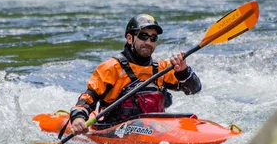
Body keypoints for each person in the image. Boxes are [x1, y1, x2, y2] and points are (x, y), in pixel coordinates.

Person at [70, 14, 202, 135]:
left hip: (155, 131)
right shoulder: (111, 68)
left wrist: (183, 71)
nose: (148, 42)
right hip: (116, 130)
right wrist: (78, 118)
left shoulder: (162, 68)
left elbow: (194, 89)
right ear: (129, 38)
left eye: (153, 38)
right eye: (143, 36)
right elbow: (88, 98)